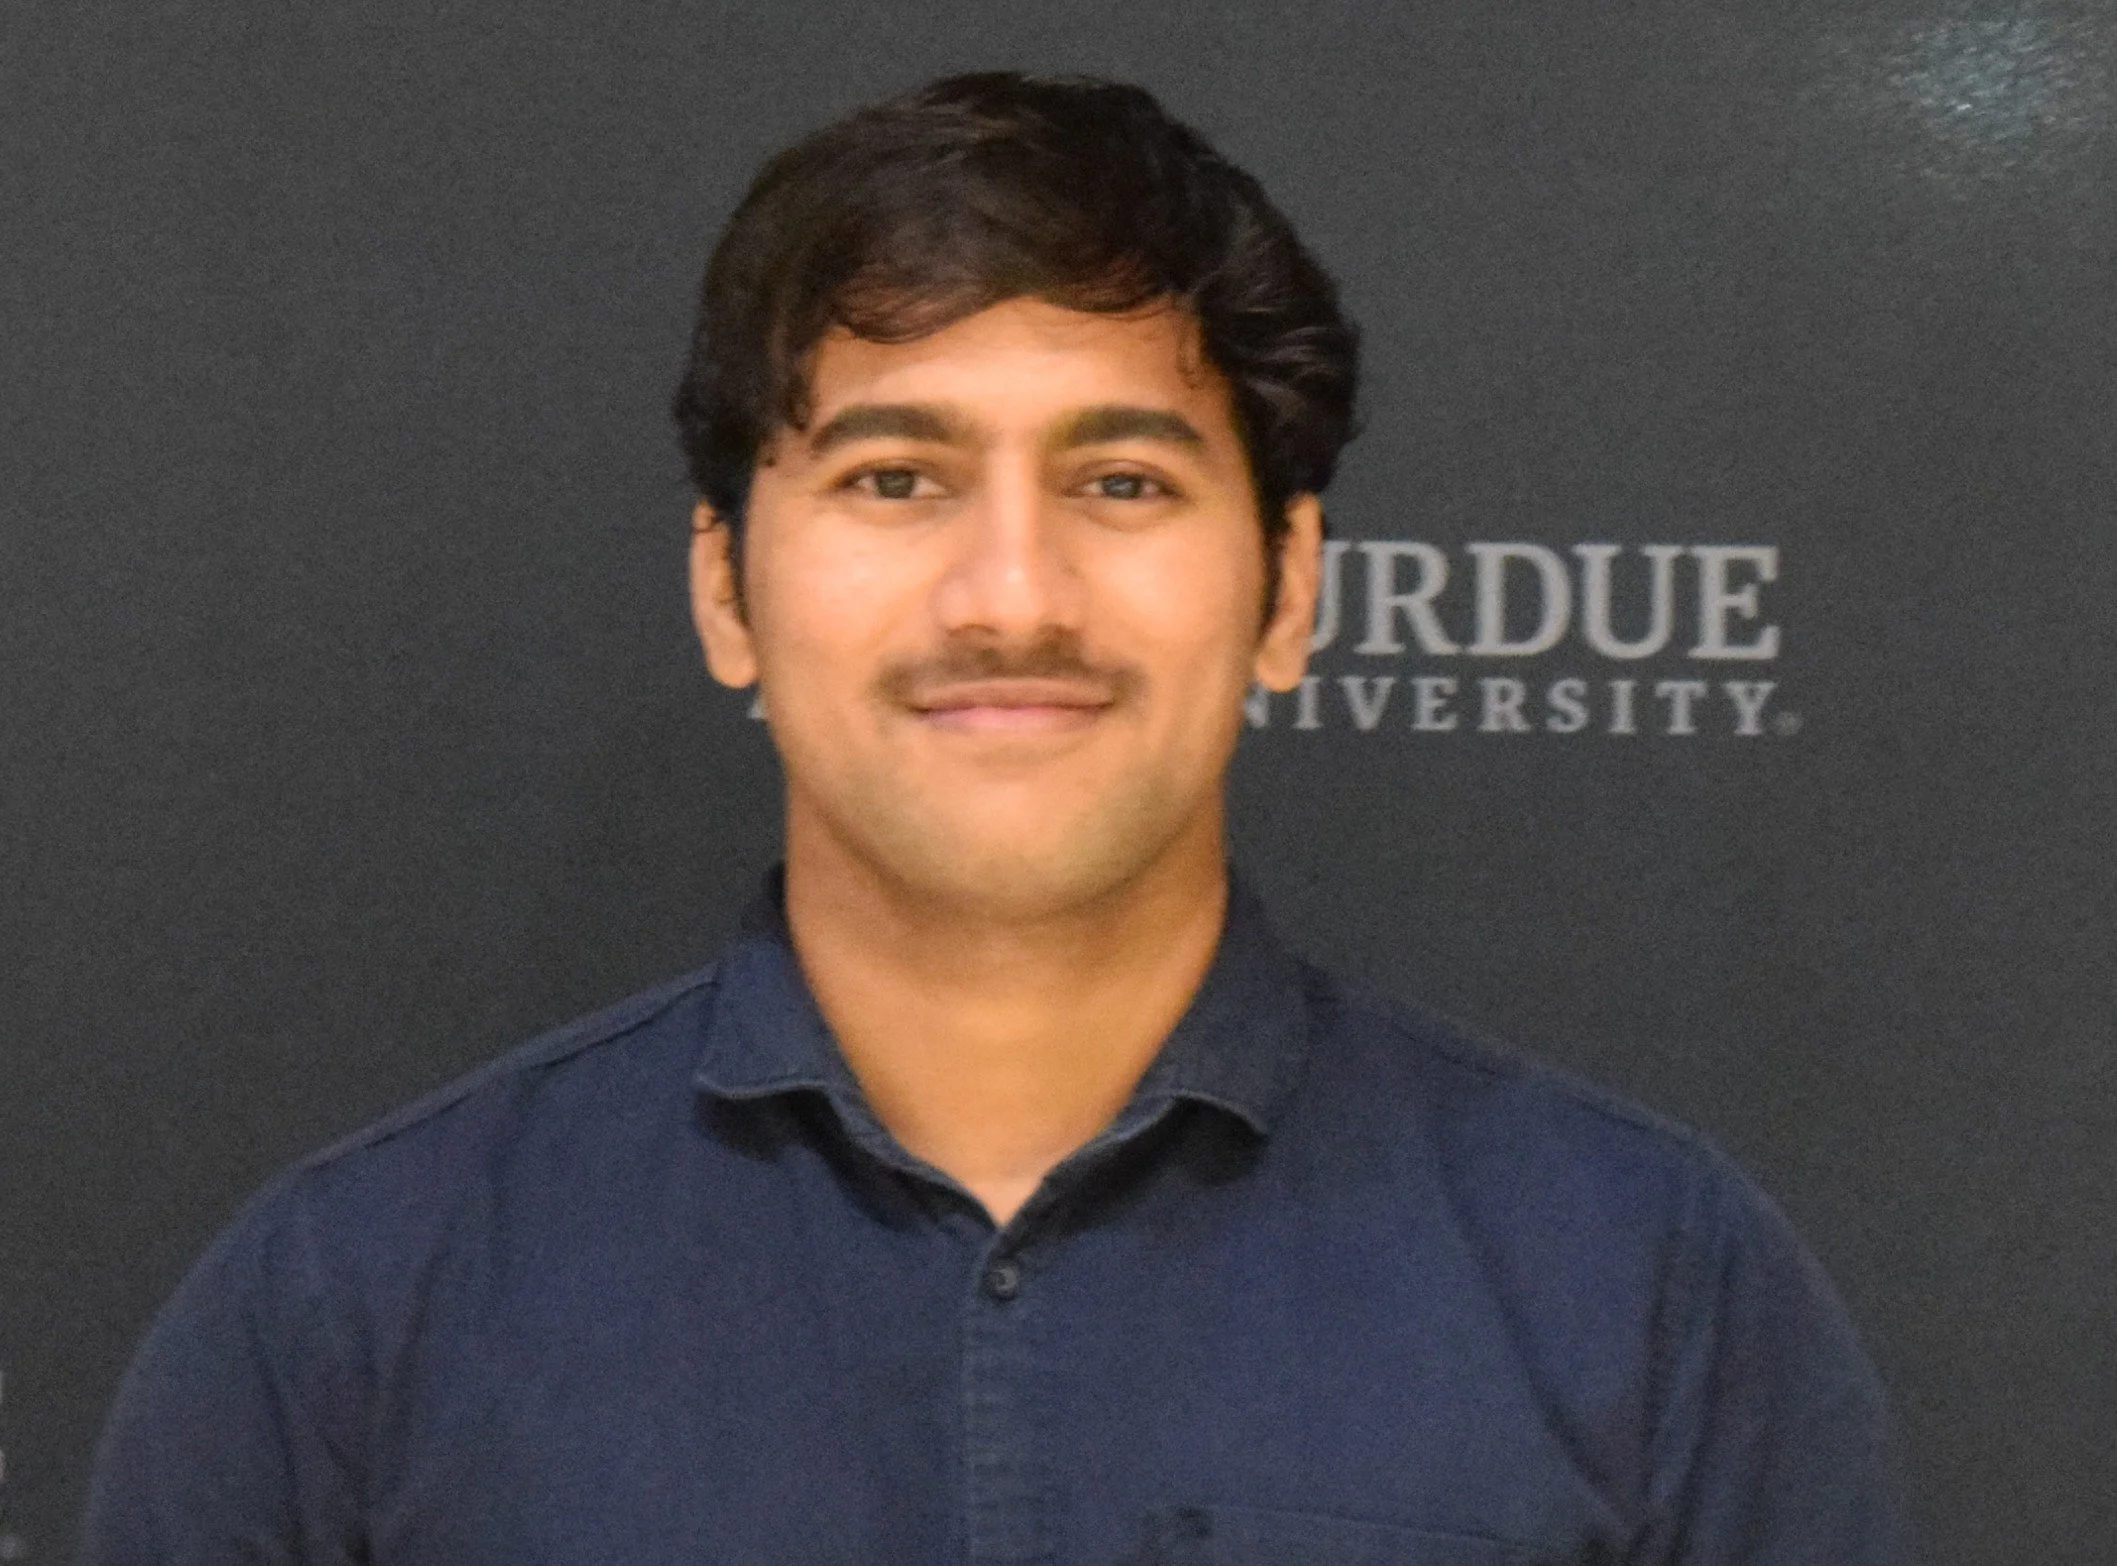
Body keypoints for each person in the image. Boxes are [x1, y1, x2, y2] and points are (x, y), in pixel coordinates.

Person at [80, 72, 1913, 1564]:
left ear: (1288, 589)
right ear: (727, 590)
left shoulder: (1661, 1297)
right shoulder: (341, 1321)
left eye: (1122, 477)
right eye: (897, 477)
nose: (1011, 592)